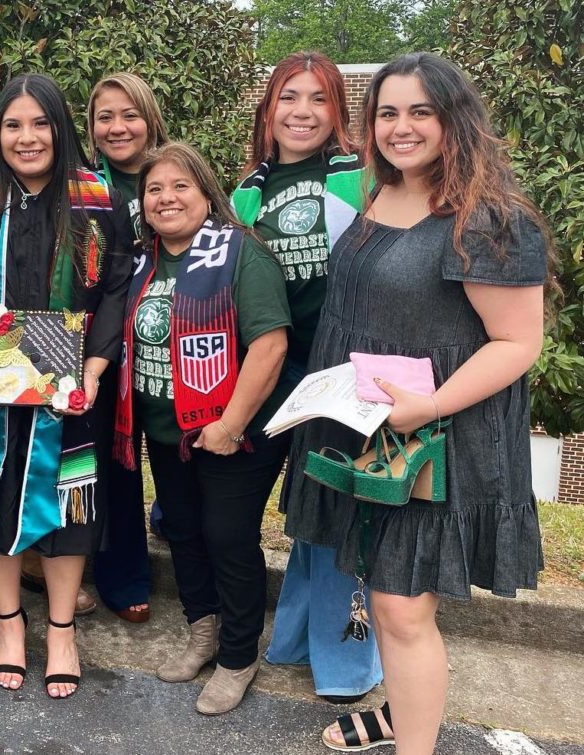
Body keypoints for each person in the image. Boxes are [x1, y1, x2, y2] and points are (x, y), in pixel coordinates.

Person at [281, 53, 551, 753]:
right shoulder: (380, 189)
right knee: (378, 582)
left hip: (431, 436)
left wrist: (426, 405)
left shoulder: (490, 218)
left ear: (453, 119)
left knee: (400, 608)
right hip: (369, 423)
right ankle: (400, 713)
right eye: (388, 113)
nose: (402, 128)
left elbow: (517, 343)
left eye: (420, 112)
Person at [0, 73, 133, 698]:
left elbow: (116, 285)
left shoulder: (96, 198)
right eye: (13, 124)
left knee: (69, 503)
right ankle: (10, 625)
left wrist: (94, 370)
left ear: (60, 128)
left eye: (40, 123)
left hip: (72, 383)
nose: (27, 136)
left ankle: (62, 629)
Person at [113, 142, 292, 715]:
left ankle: (239, 656)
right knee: (184, 531)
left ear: (206, 193)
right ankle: (202, 632)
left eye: (180, 186)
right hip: (168, 431)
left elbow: (270, 345)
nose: (166, 199)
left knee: (227, 537)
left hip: (234, 434)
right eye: (154, 190)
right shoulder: (141, 261)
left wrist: (231, 423)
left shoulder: (241, 254)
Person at [231, 52, 383, 703]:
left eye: (318, 99)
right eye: (289, 97)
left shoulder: (362, 179)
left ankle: (345, 661)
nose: (301, 111)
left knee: (336, 507)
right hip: (268, 366)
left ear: (337, 113)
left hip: (339, 370)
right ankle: (291, 635)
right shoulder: (246, 191)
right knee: (280, 509)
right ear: (269, 109)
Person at [85, 72, 170, 624]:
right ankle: (122, 574)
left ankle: (176, 531)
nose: (118, 128)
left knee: (175, 449)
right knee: (115, 460)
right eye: (105, 117)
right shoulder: (83, 185)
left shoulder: (175, 173)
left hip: (173, 337)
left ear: (150, 119)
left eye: (129, 114)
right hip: (102, 341)